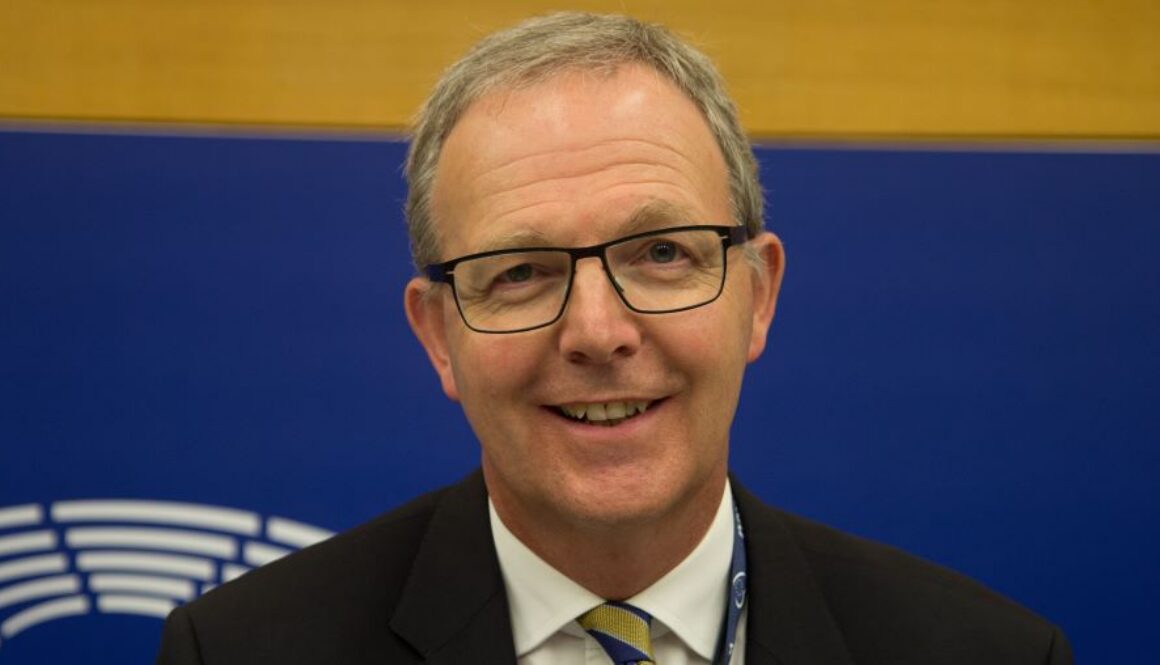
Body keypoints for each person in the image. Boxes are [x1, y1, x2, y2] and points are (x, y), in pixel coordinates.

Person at [156, 12, 1071, 664]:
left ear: (758, 295)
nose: (597, 332)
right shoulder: (241, 649)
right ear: (438, 334)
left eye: (663, 253)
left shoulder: (986, 652)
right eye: (520, 272)